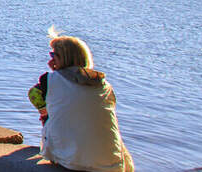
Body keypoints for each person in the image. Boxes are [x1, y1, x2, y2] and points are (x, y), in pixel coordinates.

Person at [30, 33, 135, 172]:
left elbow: (33, 94)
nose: (51, 58)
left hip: (70, 161)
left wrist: (44, 114)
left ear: (62, 58)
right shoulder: (104, 85)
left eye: (53, 55)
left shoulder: (49, 80)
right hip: (111, 164)